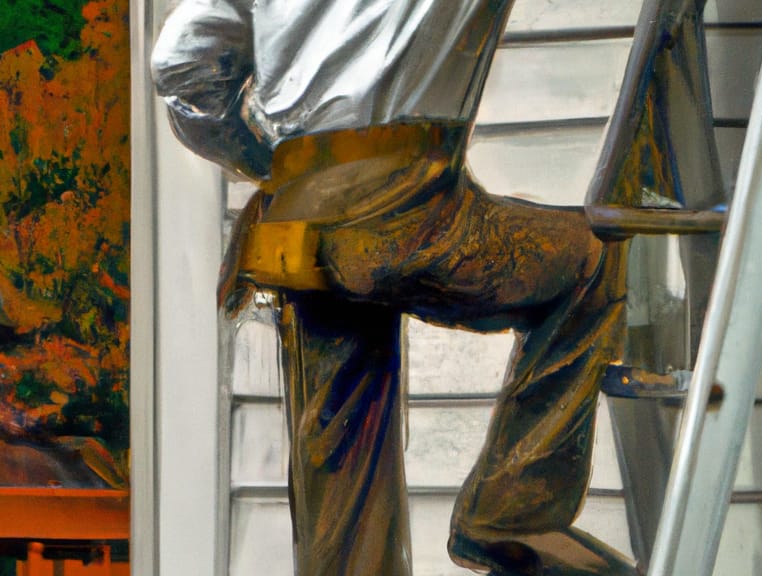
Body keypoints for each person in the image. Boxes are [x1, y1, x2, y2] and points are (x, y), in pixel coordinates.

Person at [152, 2, 637, 574]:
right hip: (403, 203)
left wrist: (268, 160)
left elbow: (181, 63)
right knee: (590, 257)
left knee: (341, 466)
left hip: (299, 216)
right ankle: (511, 517)